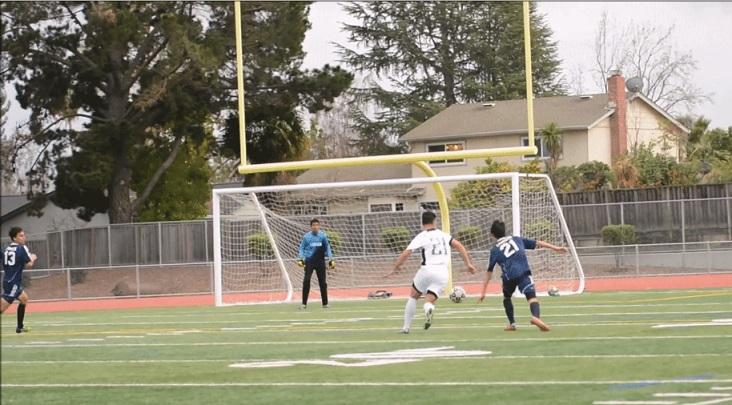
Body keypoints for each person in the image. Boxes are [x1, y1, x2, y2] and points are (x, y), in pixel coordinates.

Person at [390, 211, 477, 333]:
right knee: (429, 300)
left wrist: (396, 267)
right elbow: (459, 246)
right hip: (443, 273)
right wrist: (468, 264)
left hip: (427, 270)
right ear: (434, 221)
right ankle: (428, 309)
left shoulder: (422, 236)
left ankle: (406, 327)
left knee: (413, 296)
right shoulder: (444, 235)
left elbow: (407, 253)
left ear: (422, 223)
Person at [478, 220, 568, 332]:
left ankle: (512, 324)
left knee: (506, 296)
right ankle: (536, 317)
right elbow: (538, 243)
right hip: (523, 272)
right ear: (505, 231)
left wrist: (483, 292)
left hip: (509, 277)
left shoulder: (494, 250)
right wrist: (556, 248)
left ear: (492, 234)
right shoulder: (517, 239)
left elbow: (489, 272)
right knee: (531, 298)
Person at [2, 226, 37, 333]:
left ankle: (20, 327)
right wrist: (33, 257)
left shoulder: (6, 249)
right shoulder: (22, 248)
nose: (23, 238)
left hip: (9, 281)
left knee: (24, 298)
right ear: (14, 238)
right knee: (2, 308)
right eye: (20, 236)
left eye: (23, 235)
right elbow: (29, 264)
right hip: (13, 284)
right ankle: (20, 327)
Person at [297, 218, 334, 309]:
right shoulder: (306, 237)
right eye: (313, 225)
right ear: (311, 227)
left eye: (317, 225)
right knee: (306, 281)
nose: (315, 227)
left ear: (319, 226)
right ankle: (304, 304)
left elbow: (327, 247)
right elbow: (301, 248)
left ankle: (325, 304)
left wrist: (331, 259)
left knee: (323, 283)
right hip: (309, 261)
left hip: (320, 261)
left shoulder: (323, 236)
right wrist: (300, 259)